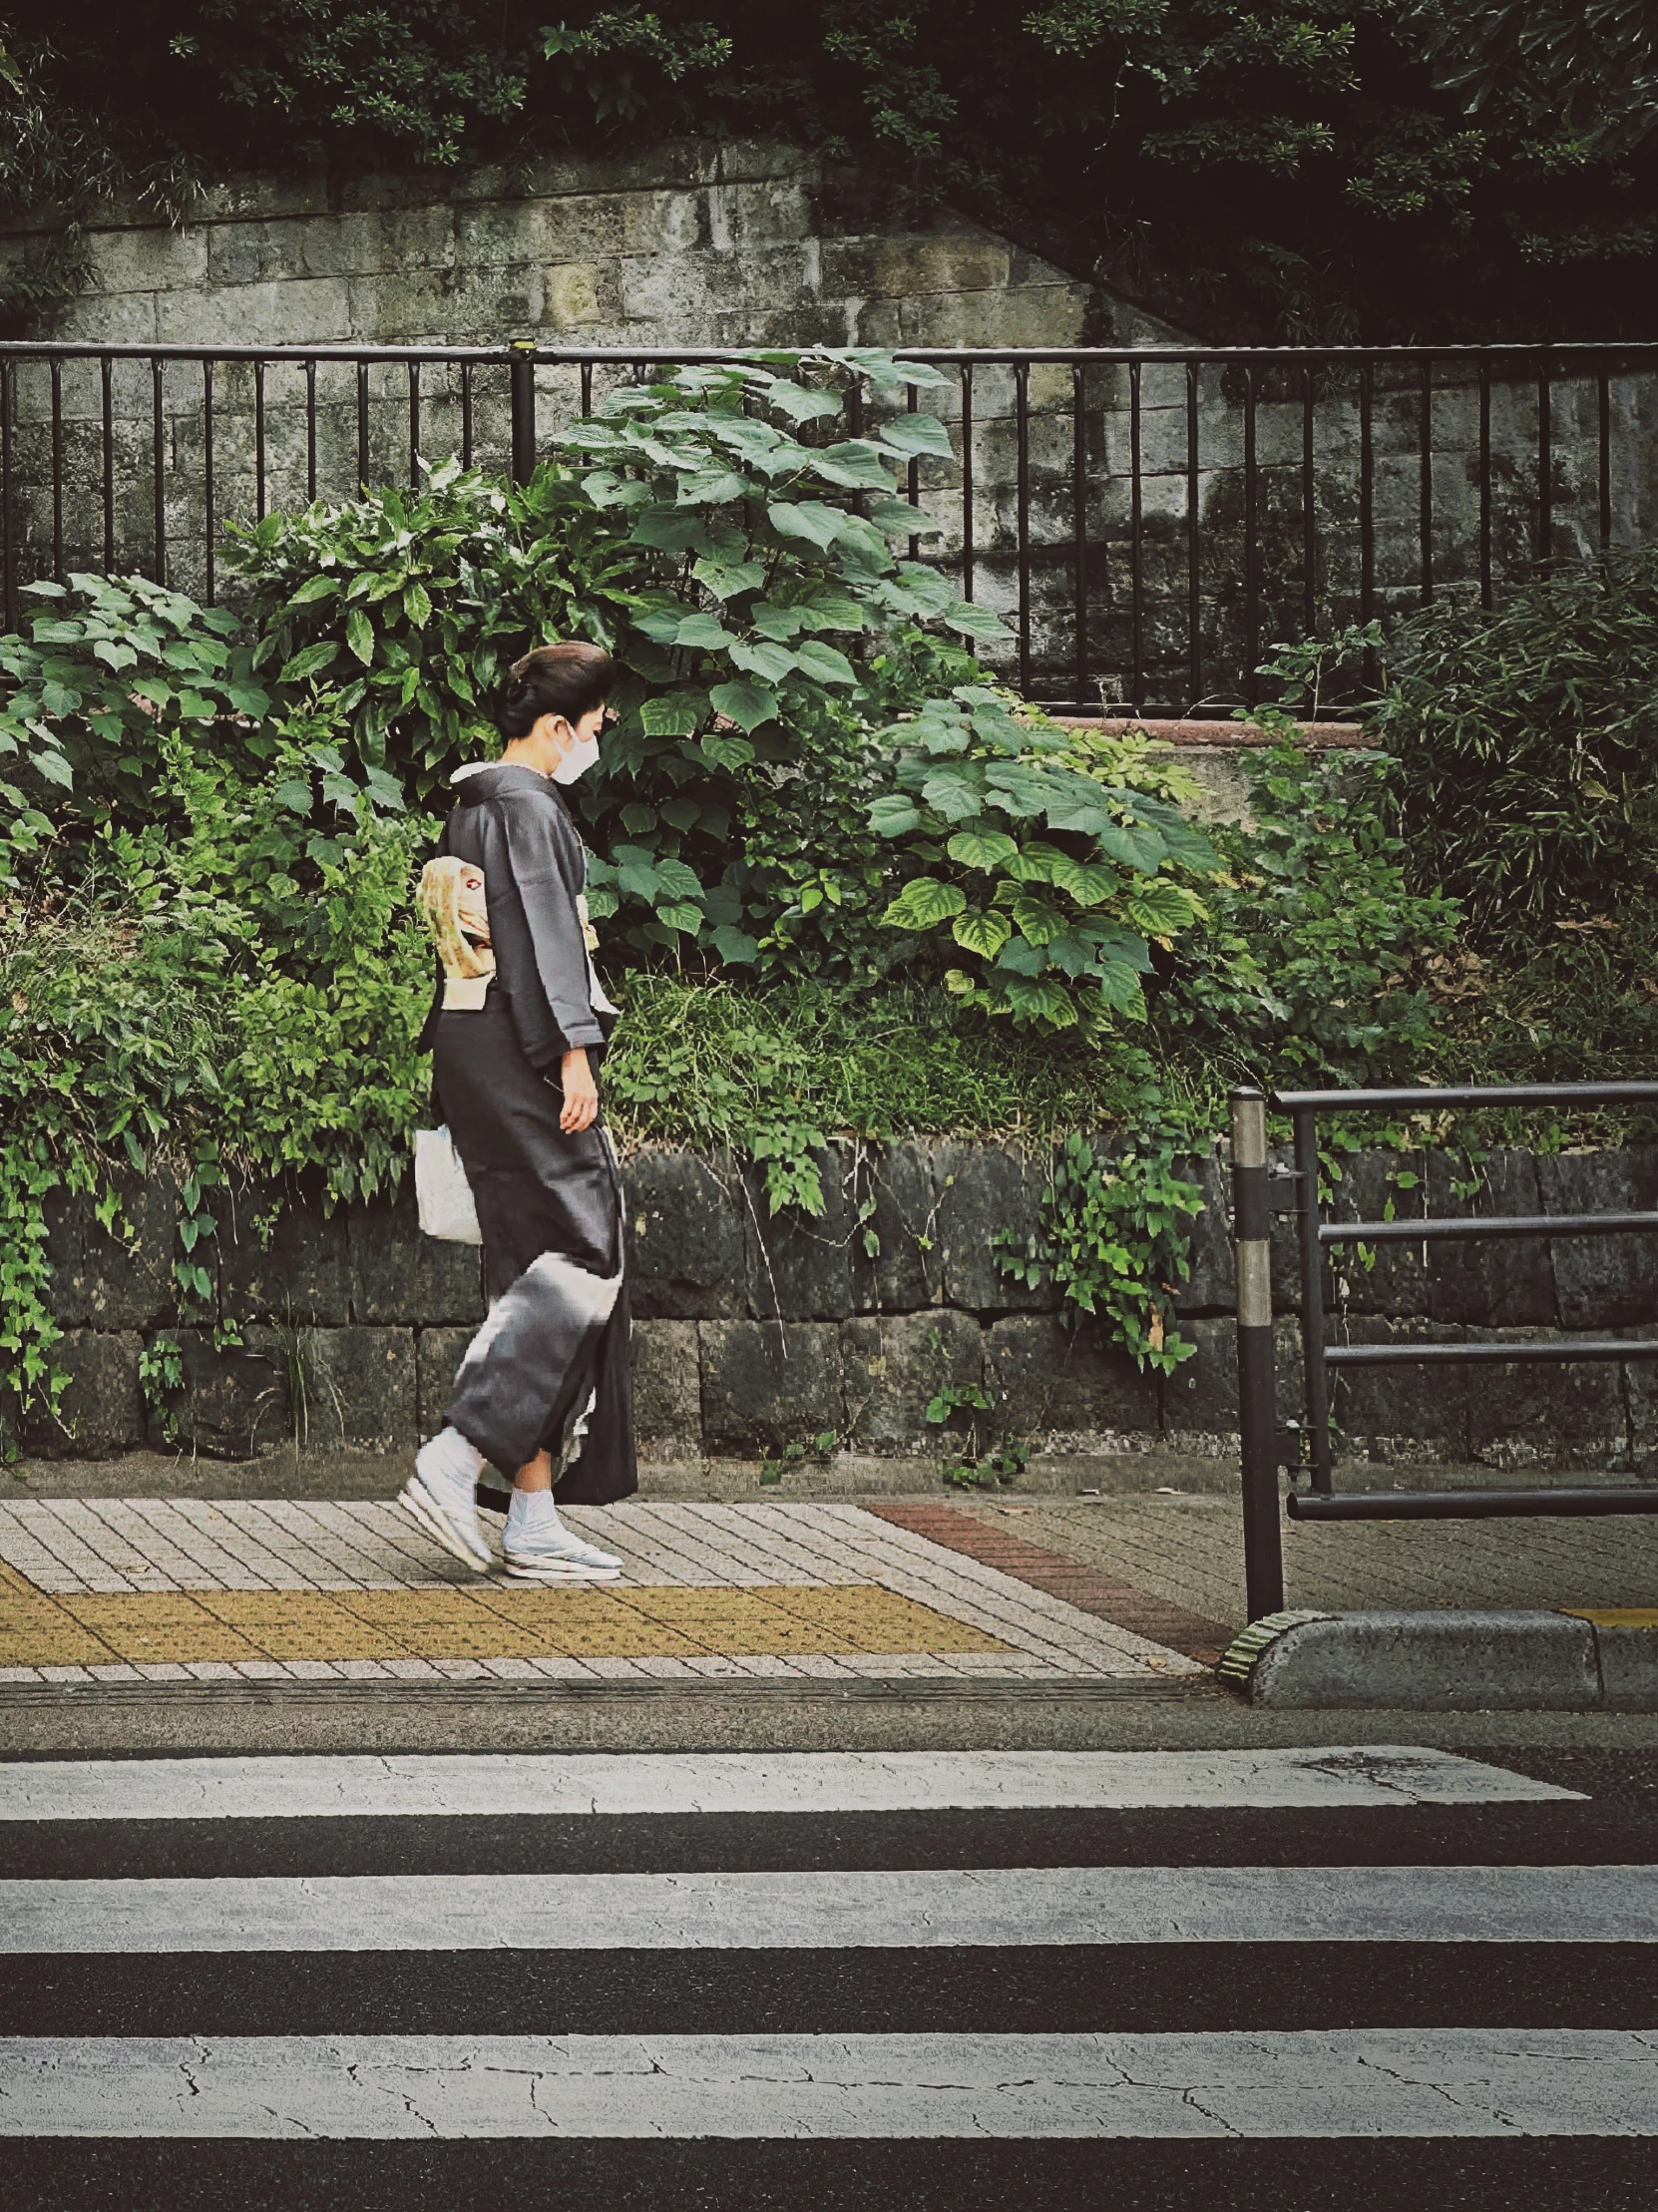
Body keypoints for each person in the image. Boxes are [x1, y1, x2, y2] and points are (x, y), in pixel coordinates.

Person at [400, 641, 635, 1582]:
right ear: (553, 728)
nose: (595, 741)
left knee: (527, 1266)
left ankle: (532, 1517)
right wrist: (573, 1053)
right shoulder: (531, 803)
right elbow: (543, 935)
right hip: (521, 1044)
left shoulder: (474, 798)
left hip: (473, 1042)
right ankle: (457, 1455)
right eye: (591, 726)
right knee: (585, 1251)